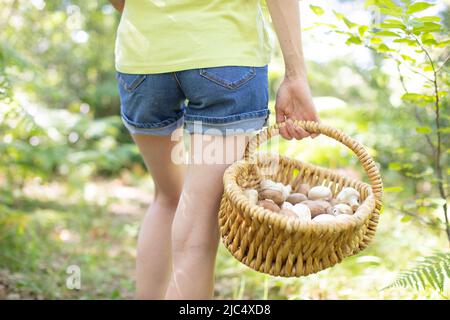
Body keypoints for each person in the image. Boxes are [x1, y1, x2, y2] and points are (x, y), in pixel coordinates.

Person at [109, 0, 319, 299]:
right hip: (226, 53)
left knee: (167, 196)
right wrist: (296, 75)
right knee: (198, 226)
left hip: (143, 58)